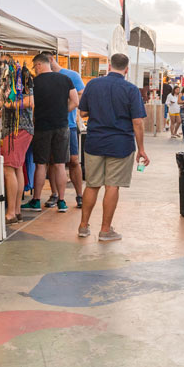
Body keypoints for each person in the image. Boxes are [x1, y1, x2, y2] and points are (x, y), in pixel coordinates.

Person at [75, 53, 150, 241]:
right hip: (120, 144)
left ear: (109, 66)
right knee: (112, 185)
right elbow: (138, 122)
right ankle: (105, 230)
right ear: (126, 69)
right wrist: (141, 148)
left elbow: (83, 111)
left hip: (94, 142)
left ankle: (83, 226)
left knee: (92, 184)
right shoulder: (131, 90)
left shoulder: (92, 84)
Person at [24, 52, 77, 214]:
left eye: (35, 66)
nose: (35, 69)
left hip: (42, 126)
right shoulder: (65, 79)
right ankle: (61, 202)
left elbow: (30, 104)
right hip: (62, 126)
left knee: (41, 164)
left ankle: (36, 201)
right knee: (60, 164)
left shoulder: (33, 82)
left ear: (39, 64)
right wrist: (62, 112)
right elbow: (76, 101)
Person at [0, 63, 34, 226]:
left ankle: (11, 212)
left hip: (17, 130)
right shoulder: (14, 78)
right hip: (17, 129)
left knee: (9, 169)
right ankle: (17, 210)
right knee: (17, 167)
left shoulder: (21, 77)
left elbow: (30, 101)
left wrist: (8, 105)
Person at [50, 62, 86, 210]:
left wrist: (64, 105)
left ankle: (79, 195)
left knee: (73, 160)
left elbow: (81, 94)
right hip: (51, 124)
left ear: (52, 59)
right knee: (52, 161)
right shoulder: (43, 76)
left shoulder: (72, 75)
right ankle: (55, 194)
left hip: (69, 124)